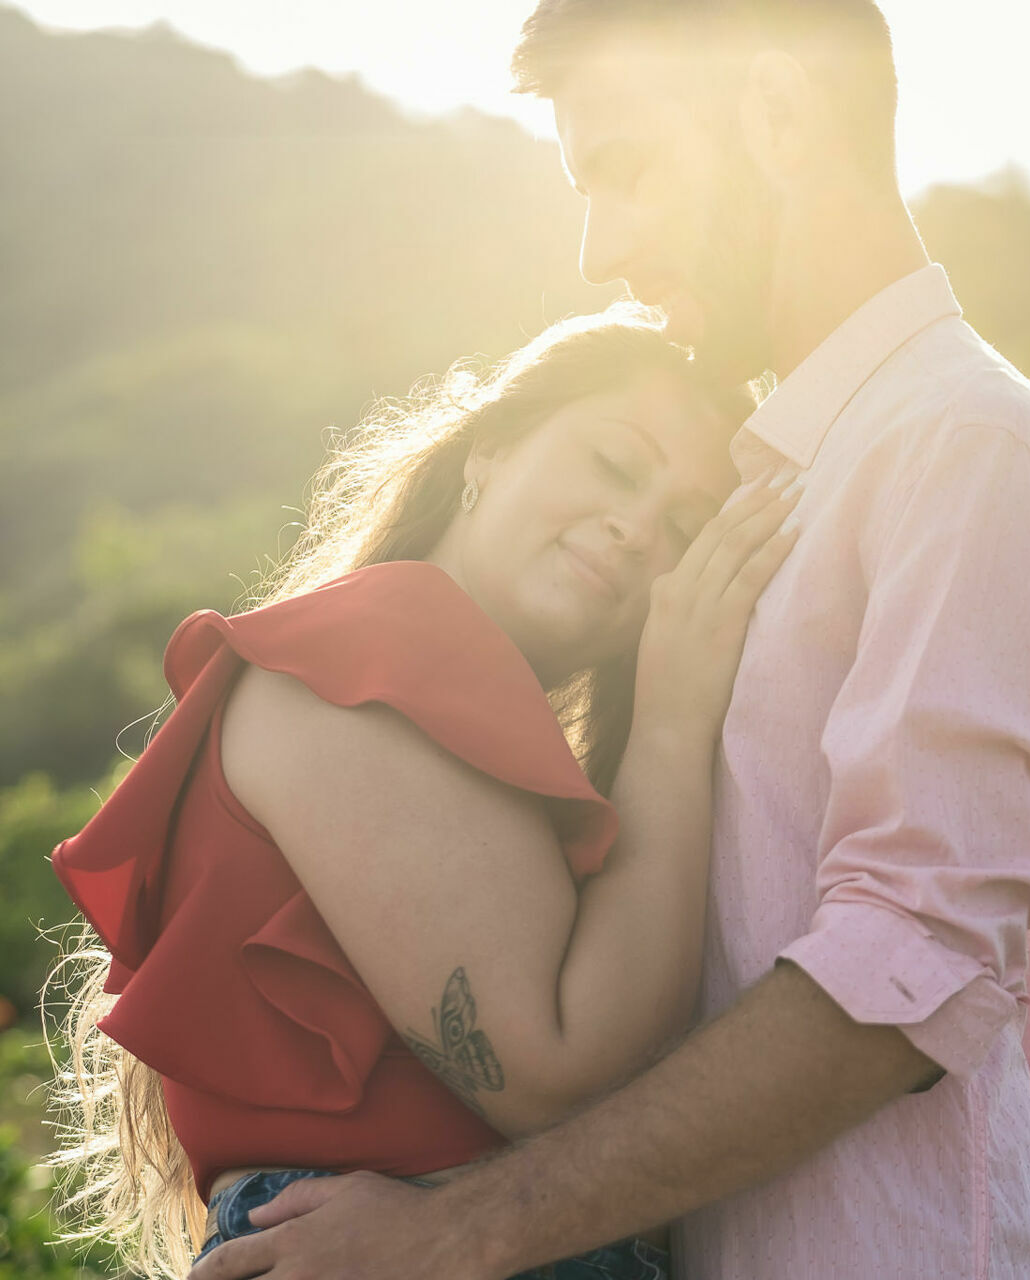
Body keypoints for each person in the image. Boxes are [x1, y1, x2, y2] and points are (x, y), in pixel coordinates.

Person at [186, 2, 1030, 1278]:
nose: (597, 248)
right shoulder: (772, 485)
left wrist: (459, 1228)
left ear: (783, 117)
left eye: (625, 168)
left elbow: (909, 970)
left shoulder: (958, 445)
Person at [49, 303, 794, 1279]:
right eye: (616, 463)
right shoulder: (386, 641)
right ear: (489, 450)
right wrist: (671, 721)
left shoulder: (467, 714)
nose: (637, 524)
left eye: (686, 528)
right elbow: (553, 1074)